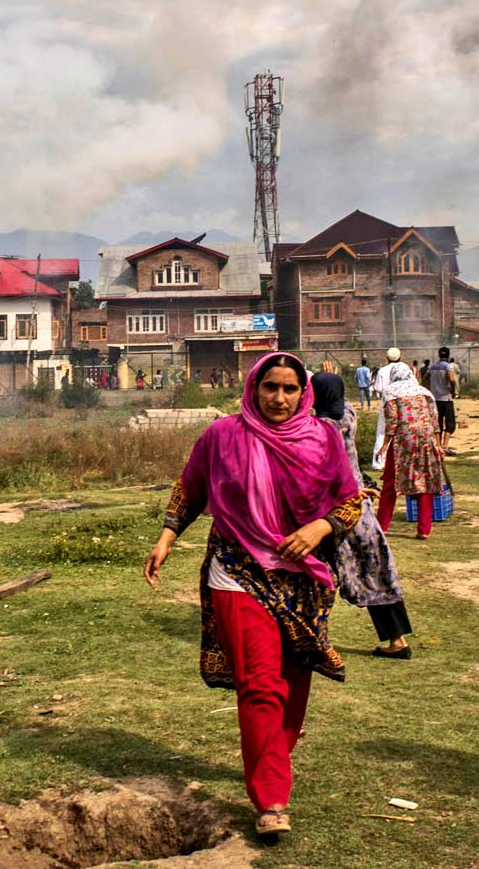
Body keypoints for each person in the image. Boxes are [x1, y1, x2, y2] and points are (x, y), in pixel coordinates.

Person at [143, 353, 361, 836]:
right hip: (237, 570)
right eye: (269, 388)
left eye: (288, 389)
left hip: (302, 577)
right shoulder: (223, 435)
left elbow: (349, 501)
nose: (279, 399)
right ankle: (271, 799)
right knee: (260, 684)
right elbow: (190, 487)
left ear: (303, 392)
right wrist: (167, 537)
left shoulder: (323, 439)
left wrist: (319, 527)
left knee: (292, 688)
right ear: (253, 388)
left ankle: (272, 758)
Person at [310, 366, 415, 659]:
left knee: (318, 574)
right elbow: (341, 401)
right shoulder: (349, 416)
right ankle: (397, 641)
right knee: (377, 568)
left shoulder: (319, 429)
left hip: (333, 510)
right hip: (362, 509)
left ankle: (312, 637)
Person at [376, 364, 445, 540]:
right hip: (426, 439)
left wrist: (384, 444)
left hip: (403, 440)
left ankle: (382, 526)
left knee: (391, 482)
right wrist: (438, 445)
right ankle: (424, 529)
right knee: (424, 481)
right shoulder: (424, 392)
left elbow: (391, 422)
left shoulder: (390, 392)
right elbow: (434, 420)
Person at [427, 347, 460, 457]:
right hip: (446, 398)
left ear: (439, 355)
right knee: (450, 424)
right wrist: (453, 389)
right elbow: (451, 379)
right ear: (448, 355)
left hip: (435, 399)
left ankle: (438, 446)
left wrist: (430, 388)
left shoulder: (432, 366)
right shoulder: (448, 366)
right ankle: (445, 447)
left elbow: (424, 378)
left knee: (438, 424)